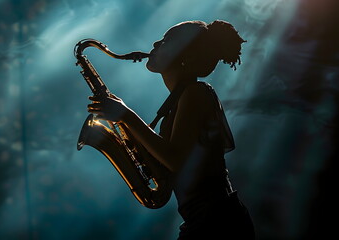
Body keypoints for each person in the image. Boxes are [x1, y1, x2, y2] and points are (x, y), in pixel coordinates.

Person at [88, 20, 255, 239]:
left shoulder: (196, 93)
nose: (156, 43)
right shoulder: (182, 98)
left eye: (167, 40)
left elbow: (176, 160)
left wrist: (126, 115)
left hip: (217, 223)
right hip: (207, 220)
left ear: (184, 55)